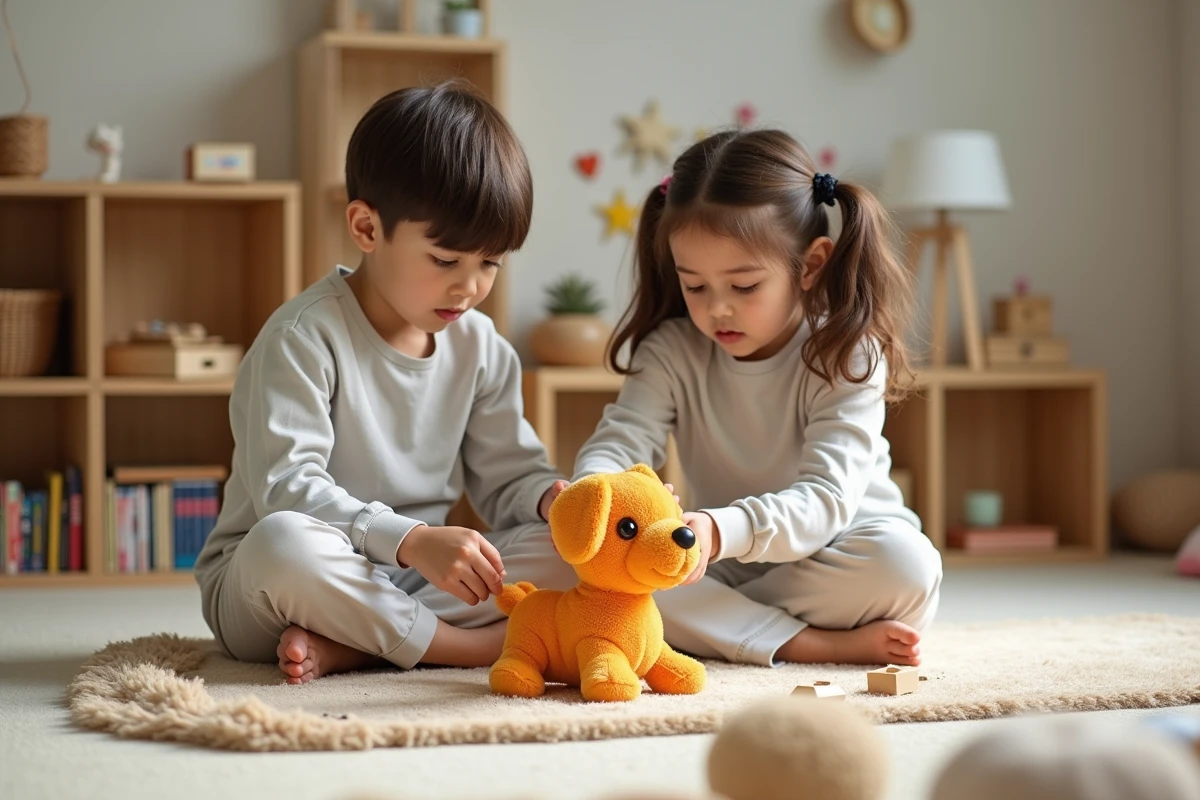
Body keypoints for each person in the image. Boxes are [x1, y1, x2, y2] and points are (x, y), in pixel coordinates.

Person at [194, 82, 575, 684]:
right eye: (447, 261)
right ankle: (463, 648)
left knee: (578, 548)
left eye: (491, 263)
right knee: (284, 543)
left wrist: (561, 503)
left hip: (411, 578)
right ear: (367, 228)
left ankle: (360, 645)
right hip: (273, 585)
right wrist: (411, 539)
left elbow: (509, 479)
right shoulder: (300, 337)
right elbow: (288, 490)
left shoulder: (483, 350)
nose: (470, 288)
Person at [573, 128, 943, 667]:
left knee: (907, 565)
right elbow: (621, 439)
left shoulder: (848, 353)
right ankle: (805, 642)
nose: (717, 309)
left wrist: (717, 530)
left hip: (839, 553)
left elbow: (824, 502)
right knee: (580, 561)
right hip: (718, 560)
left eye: (743, 287)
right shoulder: (671, 351)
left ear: (811, 265)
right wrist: (592, 492)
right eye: (694, 287)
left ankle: (724, 627)